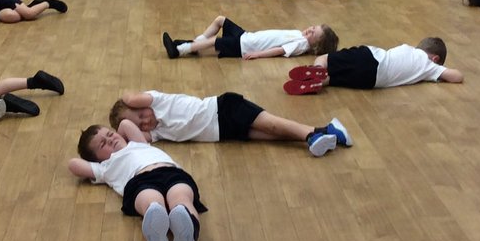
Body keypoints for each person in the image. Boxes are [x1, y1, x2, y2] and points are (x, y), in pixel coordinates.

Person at [67, 125, 206, 241]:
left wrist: (117, 138)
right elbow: (73, 164)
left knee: (181, 198)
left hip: (171, 172)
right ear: (97, 159)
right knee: (151, 201)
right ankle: (157, 231)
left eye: (110, 134)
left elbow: (125, 124)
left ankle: (187, 235)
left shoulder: (138, 143)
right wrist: (93, 161)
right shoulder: (104, 167)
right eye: (103, 144)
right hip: (140, 180)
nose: (110, 140)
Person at [109, 89, 350, 156]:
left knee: (276, 125)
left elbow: (129, 97)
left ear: (142, 104)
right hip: (222, 132)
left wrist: (127, 105)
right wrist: (124, 127)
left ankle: (312, 136)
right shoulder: (157, 134)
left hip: (224, 108)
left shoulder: (156, 100)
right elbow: (138, 144)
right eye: (139, 125)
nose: (145, 122)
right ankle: (328, 132)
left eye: (141, 115)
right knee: (275, 136)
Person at [283, 36, 462, 95]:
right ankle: (321, 82)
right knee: (337, 79)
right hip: (371, 81)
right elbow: (457, 76)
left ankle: (317, 70)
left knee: (324, 58)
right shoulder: (429, 68)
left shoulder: (421, 58)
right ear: (437, 59)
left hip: (372, 57)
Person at [161, 15, 338, 60]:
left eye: (314, 34)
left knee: (214, 42)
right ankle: (194, 45)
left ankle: (179, 51)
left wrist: (257, 55)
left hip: (244, 46)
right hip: (246, 37)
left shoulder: (301, 45)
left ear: (315, 46)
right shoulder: (300, 36)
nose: (311, 30)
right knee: (220, 20)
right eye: (313, 27)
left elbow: (279, 50)